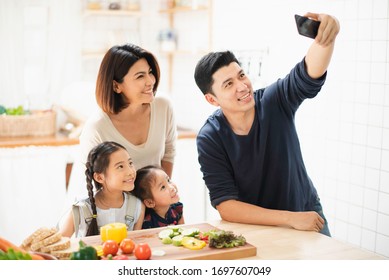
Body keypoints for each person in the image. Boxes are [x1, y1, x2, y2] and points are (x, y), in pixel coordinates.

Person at [193, 13, 340, 236]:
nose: (242, 86)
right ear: (212, 99)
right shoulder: (210, 137)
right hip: (257, 225)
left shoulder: (273, 101)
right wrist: (289, 219)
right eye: (229, 84)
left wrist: (326, 38)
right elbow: (226, 205)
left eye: (241, 75)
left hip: (305, 212)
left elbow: (308, 74)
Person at [67, 43, 177, 202]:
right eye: (140, 76)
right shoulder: (97, 127)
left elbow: (169, 153)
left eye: (150, 72)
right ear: (116, 86)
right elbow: (91, 184)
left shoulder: (163, 106)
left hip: (155, 205)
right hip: (116, 212)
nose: (150, 81)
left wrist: (159, 197)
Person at [60, 141, 145, 237]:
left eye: (130, 163)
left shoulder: (137, 207)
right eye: (120, 166)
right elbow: (60, 243)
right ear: (99, 178)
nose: (130, 171)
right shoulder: (81, 209)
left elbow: (136, 244)